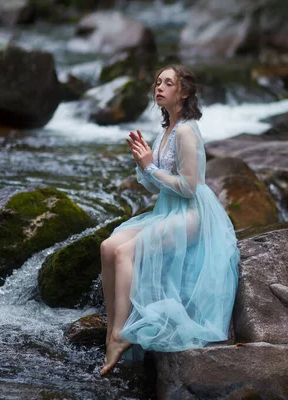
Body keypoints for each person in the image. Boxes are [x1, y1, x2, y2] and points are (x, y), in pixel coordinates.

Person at [99, 64, 240, 375]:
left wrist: (151, 167)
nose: (158, 88)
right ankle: (113, 329)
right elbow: (155, 183)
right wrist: (143, 163)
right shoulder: (165, 131)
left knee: (125, 253)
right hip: (168, 208)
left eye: (167, 83)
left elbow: (189, 187)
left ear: (184, 92)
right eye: (157, 83)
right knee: (108, 247)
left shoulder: (187, 131)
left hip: (192, 213)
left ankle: (120, 335)